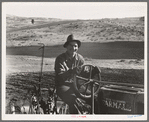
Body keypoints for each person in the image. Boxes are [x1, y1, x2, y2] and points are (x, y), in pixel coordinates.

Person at [54, 34, 84, 114]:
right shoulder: (60, 59)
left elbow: (84, 74)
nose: (73, 48)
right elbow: (60, 76)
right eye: (71, 45)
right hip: (63, 86)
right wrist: (71, 71)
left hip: (76, 86)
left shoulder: (80, 59)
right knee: (72, 100)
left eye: (75, 46)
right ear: (66, 46)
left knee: (94, 98)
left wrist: (93, 72)